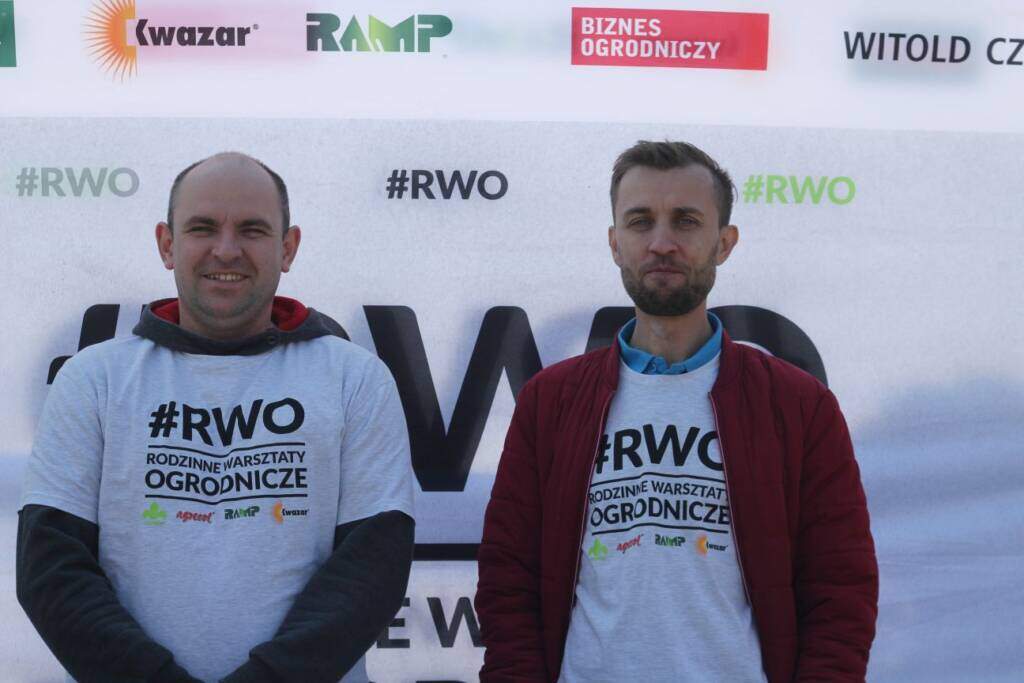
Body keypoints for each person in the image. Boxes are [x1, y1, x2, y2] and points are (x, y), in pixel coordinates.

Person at [475, 140, 878, 682]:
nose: (661, 243)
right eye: (640, 221)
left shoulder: (800, 407)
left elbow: (841, 588)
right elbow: (508, 579)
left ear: (724, 243)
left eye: (686, 221)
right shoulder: (551, 402)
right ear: (615, 243)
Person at [17, 152, 415, 683]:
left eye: (252, 229)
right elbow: (50, 569)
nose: (226, 250)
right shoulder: (94, 378)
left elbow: (372, 569)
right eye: (202, 228)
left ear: (288, 248)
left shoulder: (355, 379)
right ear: (167, 244)